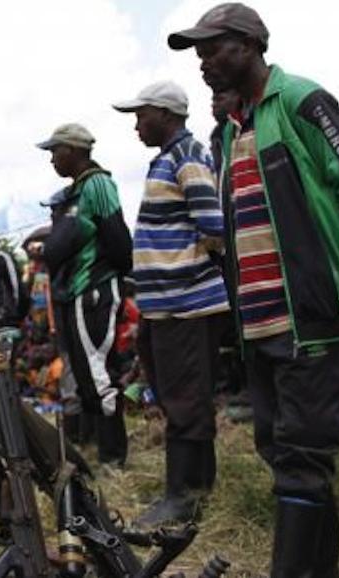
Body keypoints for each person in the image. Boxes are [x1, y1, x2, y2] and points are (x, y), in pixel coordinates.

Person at [168, 4, 339, 575]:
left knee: (302, 457)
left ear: (249, 44)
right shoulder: (230, 130)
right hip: (258, 325)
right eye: (199, 54)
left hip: (307, 318)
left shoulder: (299, 102)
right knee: (283, 452)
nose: (204, 63)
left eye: (212, 50)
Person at [112, 80, 228, 527]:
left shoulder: (187, 156)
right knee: (180, 393)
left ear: (166, 114)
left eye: (142, 116)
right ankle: (199, 484)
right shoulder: (164, 160)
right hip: (165, 305)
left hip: (186, 302)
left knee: (185, 398)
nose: (137, 125)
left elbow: (213, 225)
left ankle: (182, 496)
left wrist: (189, 273)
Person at [29, 123, 133, 467]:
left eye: (54, 152)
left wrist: (110, 276)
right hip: (74, 295)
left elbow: (118, 240)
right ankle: (96, 450)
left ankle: (114, 458)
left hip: (94, 291)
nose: (51, 160)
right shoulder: (74, 193)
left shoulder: (98, 185)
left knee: (100, 373)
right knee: (86, 377)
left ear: (72, 150)